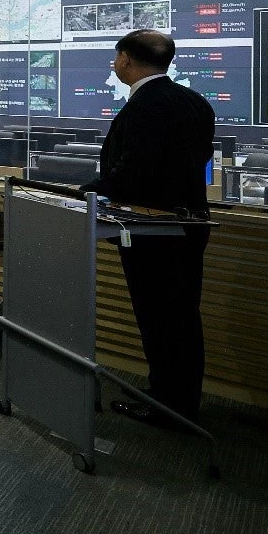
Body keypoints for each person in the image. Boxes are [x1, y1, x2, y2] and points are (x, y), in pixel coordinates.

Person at [80, 29, 215, 426]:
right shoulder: (194, 101)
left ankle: (169, 407)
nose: (114, 64)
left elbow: (133, 175)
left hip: (152, 232)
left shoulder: (145, 106)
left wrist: (83, 191)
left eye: (115, 57)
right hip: (187, 225)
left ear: (125, 59)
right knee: (181, 317)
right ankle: (175, 398)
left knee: (161, 319)